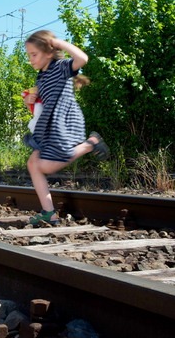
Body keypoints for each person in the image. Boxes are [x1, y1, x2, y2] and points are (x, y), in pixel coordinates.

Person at [21, 29, 109, 226]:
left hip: (64, 122)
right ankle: (49, 213)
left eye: (34, 54)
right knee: (33, 163)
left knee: (48, 166)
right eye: (29, 55)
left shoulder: (61, 67)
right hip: (49, 125)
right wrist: (30, 99)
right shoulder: (40, 77)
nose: (31, 59)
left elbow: (82, 58)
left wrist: (58, 42)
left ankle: (90, 143)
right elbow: (42, 103)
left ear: (49, 52)